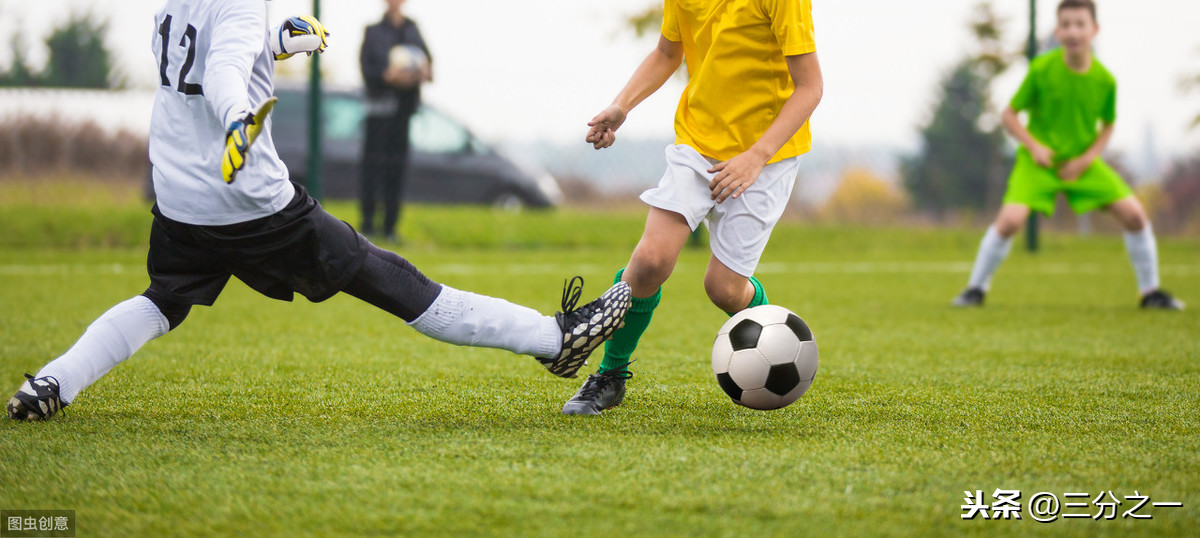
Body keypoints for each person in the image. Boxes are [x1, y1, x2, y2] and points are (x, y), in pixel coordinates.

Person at [7, 0, 630, 421]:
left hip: (178, 193)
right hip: (248, 198)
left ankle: (53, 383)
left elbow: (206, 57)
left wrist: (277, 42)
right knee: (392, 279)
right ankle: (554, 339)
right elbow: (224, 72)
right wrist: (237, 120)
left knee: (161, 300)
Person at [560, 0, 822, 415]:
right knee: (650, 260)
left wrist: (756, 156)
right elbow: (668, 52)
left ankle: (777, 340)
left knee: (724, 290)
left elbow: (810, 87)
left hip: (767, 156)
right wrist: (621, 105)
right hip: (697, 143)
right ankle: (610, 374)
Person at [952, 0, 1184, 311]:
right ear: (1057, 30)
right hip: (1039, 163)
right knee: (1009, 221)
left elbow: (1108, 126)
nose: (1073, 31)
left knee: (1136, 216)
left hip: (1083, 164)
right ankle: (975, 289)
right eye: (1066, 24)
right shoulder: (1041, 69)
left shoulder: (1105, 80)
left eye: (1080, 24)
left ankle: (1150, 292)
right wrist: (1034, 147)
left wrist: (1087, 160)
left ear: (1094, 30)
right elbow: (1009, 115)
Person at [358, 0, 431, 242]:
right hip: (379, 113)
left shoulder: (413, 30)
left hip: (403, 113)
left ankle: (390, 228)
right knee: (373, 168)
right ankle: (367, 225)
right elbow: (367, 69)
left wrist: (420, 73)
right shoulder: (373, 31)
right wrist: (386, 76)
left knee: (396, 171)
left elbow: (429, 66)